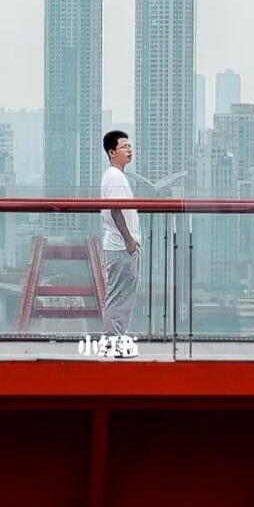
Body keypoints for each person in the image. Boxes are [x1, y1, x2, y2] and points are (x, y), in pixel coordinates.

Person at [100, 130, 141, 346]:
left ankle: (114, 339)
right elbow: (116, 209)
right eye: (124, 147)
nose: (129, 150)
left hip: (119, 245)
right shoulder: (115, 176)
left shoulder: (116, 175)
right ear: (112, 152)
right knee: (119, 296)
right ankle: (111, 341)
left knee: (122, 295)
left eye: (130, 146)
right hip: (120, 246)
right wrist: (129, 240)